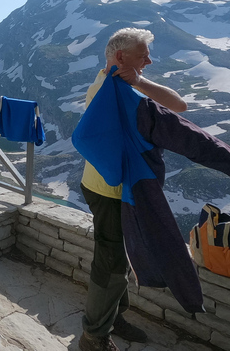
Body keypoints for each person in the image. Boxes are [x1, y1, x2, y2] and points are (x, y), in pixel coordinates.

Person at [78, 28, 187, 351]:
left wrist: (136, 78)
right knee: (110, 263)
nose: (149, 61)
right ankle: (94, 336)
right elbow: (178, 106)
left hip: (102, 184)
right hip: (111, 192)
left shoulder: (106, 81)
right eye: (143, 56)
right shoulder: (117, 92)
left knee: (118, 258)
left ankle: (113, 317)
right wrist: (137, 81)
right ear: (122, 58)